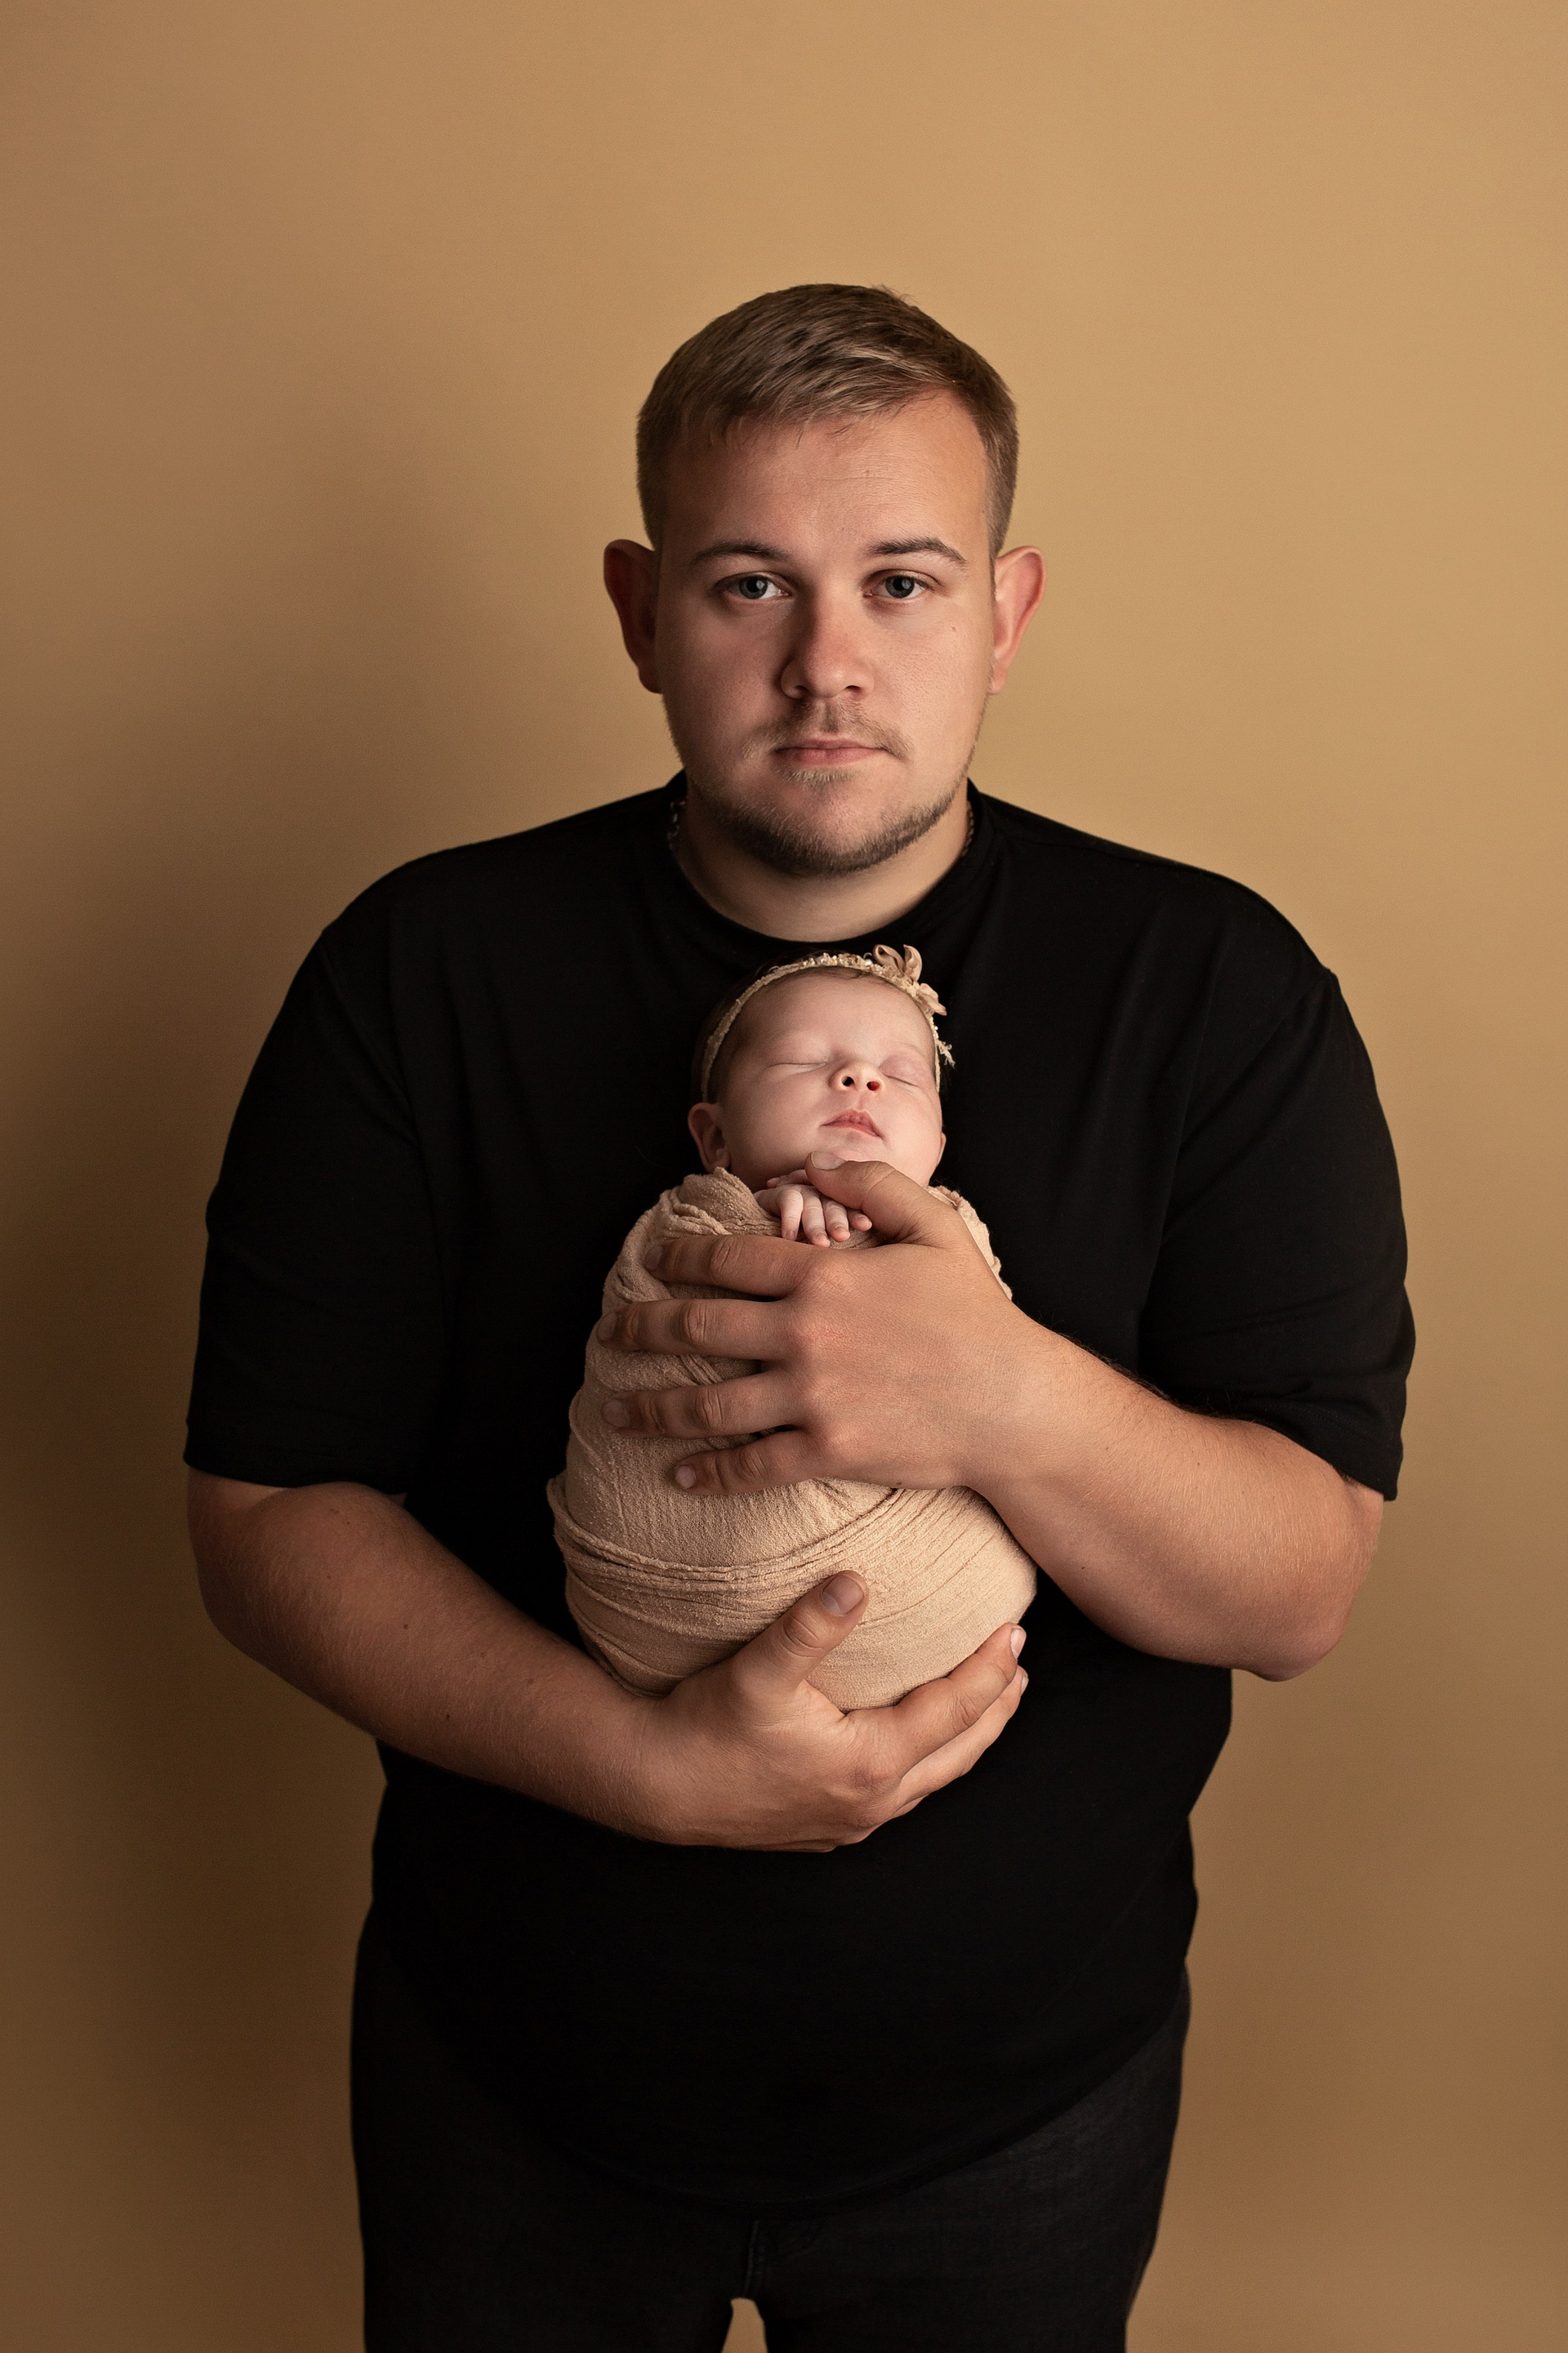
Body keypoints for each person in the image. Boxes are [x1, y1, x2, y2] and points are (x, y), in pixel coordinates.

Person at [186, 283, 1412, 2351]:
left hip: (1027, 2105)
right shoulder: (419, 971)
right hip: (516, 2084)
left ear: (1005, 611)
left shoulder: (1216, 994)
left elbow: (1299, 1586)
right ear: (640, 608)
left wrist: (1000, 1397)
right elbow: (262, 1517)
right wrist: (645, 1767)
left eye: (902, 581)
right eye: (748, 580)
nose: (827, 660)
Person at [551, 947, 1037, 1710]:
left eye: (903, 1074)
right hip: (677, 1593)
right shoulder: (693, 1227)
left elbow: (998, 1370)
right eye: (803, 1060)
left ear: (938, 1151)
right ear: (715, 1139)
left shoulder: (957, 1240)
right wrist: (772, 1222)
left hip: (930, 1598)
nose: (860, 1078)